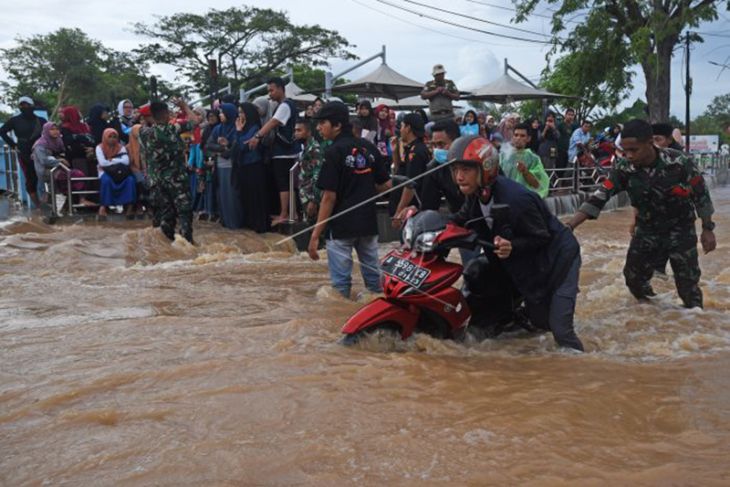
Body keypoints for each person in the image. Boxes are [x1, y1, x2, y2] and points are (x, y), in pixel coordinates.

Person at [447, 135, 584, 350]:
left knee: (561, 331)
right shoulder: (476, 194)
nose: (459, 177)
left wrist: (513, 246)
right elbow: (459, 220)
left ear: (486, 167)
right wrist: (423, 221)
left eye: (466, 170)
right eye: (455, 170)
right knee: (539, 322)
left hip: (559, 259)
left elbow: (541, 236)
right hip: (527, 263)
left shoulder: (517, 199)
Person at [566, 119, 716, 309]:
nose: (628, 155)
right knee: (633, 279)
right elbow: (599, 197)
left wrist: (707, 229)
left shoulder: (679, 162)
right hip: (647, 230)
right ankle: (653, 313)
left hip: (680, 231)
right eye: (625, 150)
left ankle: (694, 323)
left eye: (634, 150)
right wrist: (571, 225)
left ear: (649, 143)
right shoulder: (623, 168)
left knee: (688, 288)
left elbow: (701, 195)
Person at [307, 101, 392, 298]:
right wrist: (363, 190)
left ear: (337, 125)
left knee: (340, 288)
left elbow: (328, 197)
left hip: (340, 228)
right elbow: (386, 185)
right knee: (375, 285)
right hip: (368, 224)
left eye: (323, 123)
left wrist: (315, 234)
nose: (319, 128)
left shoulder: (333, 152)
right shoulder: (368, 148)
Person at [140, 99, 199, 243]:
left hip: (157, 182)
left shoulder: (144, 133)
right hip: (177, 181)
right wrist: (184, 106)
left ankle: (164, 249)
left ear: (152, 116)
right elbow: (196, 121)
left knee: (163, 218)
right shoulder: (175, 129)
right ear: (167, 114)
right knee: (184, 214)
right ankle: (186, 245)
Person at [248, 77, 299, 225]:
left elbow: (273, 122)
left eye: (272, 90)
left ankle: (284, 214)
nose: (269, 94)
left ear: (281, 88)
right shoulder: (286, 105)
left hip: (284, 152)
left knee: (284, 183)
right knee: (289, 184)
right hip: (287, 151)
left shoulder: (285, 106)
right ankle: (292, 213)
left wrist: (257, 136)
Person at [0, 96, 47, 206]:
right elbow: (2, 131)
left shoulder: (41, 121)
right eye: (22, 105)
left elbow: (49, 134)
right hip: (24, 152)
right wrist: (13, 145)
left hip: (40, 152)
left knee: (46, 176)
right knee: (31, 178)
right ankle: (38, 206)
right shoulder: (14, 120)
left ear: (32, 106)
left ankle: (48, 201)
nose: (24, 107)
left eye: (26, 105)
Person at [205, 102, 244, 229]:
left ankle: (235, 224)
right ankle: (226, 223)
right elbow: (208, 145)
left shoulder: (237, 128)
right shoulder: (218, 128)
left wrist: (223, 148)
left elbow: (232, 150)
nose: (220, 115)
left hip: (232, 167)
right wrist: (223, 147)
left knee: (233, 197)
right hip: (220, 167)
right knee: (222, 196)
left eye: (222, 112)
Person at [233, 102, 269, 233]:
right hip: (244, 167)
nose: (240, 115)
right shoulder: (244, 128)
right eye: (239, 112)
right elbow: (236, 146)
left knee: (255, 197)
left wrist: (238, 132)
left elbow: (243, 146)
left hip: (254, 166)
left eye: (242, 112)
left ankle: (259, 226)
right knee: (246, 197)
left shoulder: (255, 128)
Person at [392, 113, 430, 228]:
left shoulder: (416, 151)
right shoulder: (410, 149)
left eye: (402, 126)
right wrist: (395, 152)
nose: (401, 130)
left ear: (408, 128)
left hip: (411, 210)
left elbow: (410, 185)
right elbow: (400, 172)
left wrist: (398, 213)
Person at [500, 122, 550, 198]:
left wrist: (525, 171)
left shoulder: (533, 159)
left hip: (523, 199)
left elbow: (537, 184)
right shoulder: (503, 156)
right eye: (516, 135)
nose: (518, 138)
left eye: (522, 136)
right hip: (504, 197)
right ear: (512, 137)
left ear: (528, 138)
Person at [95, 128, 136, 217]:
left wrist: (111, 160)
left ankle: (129, 207)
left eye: (114, 137)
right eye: (110, 137)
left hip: (120, 172)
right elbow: (102, 163)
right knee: (106, 181)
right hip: (105, 171)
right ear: (105, 137)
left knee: (130, 180)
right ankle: (103, 207)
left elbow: (126, 161)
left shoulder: (121, 147)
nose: (112, 139)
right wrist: (118, 160)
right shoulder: (99, 147)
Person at [295, 120, 323, 224]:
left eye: (299, 130)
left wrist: (313, 200)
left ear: (308, 132)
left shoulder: (314, 149)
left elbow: (317, 175)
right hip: (304, 194)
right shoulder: (306, 147)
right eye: (295, 130)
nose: (296, 133)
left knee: (314, 226)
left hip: (311, 196)